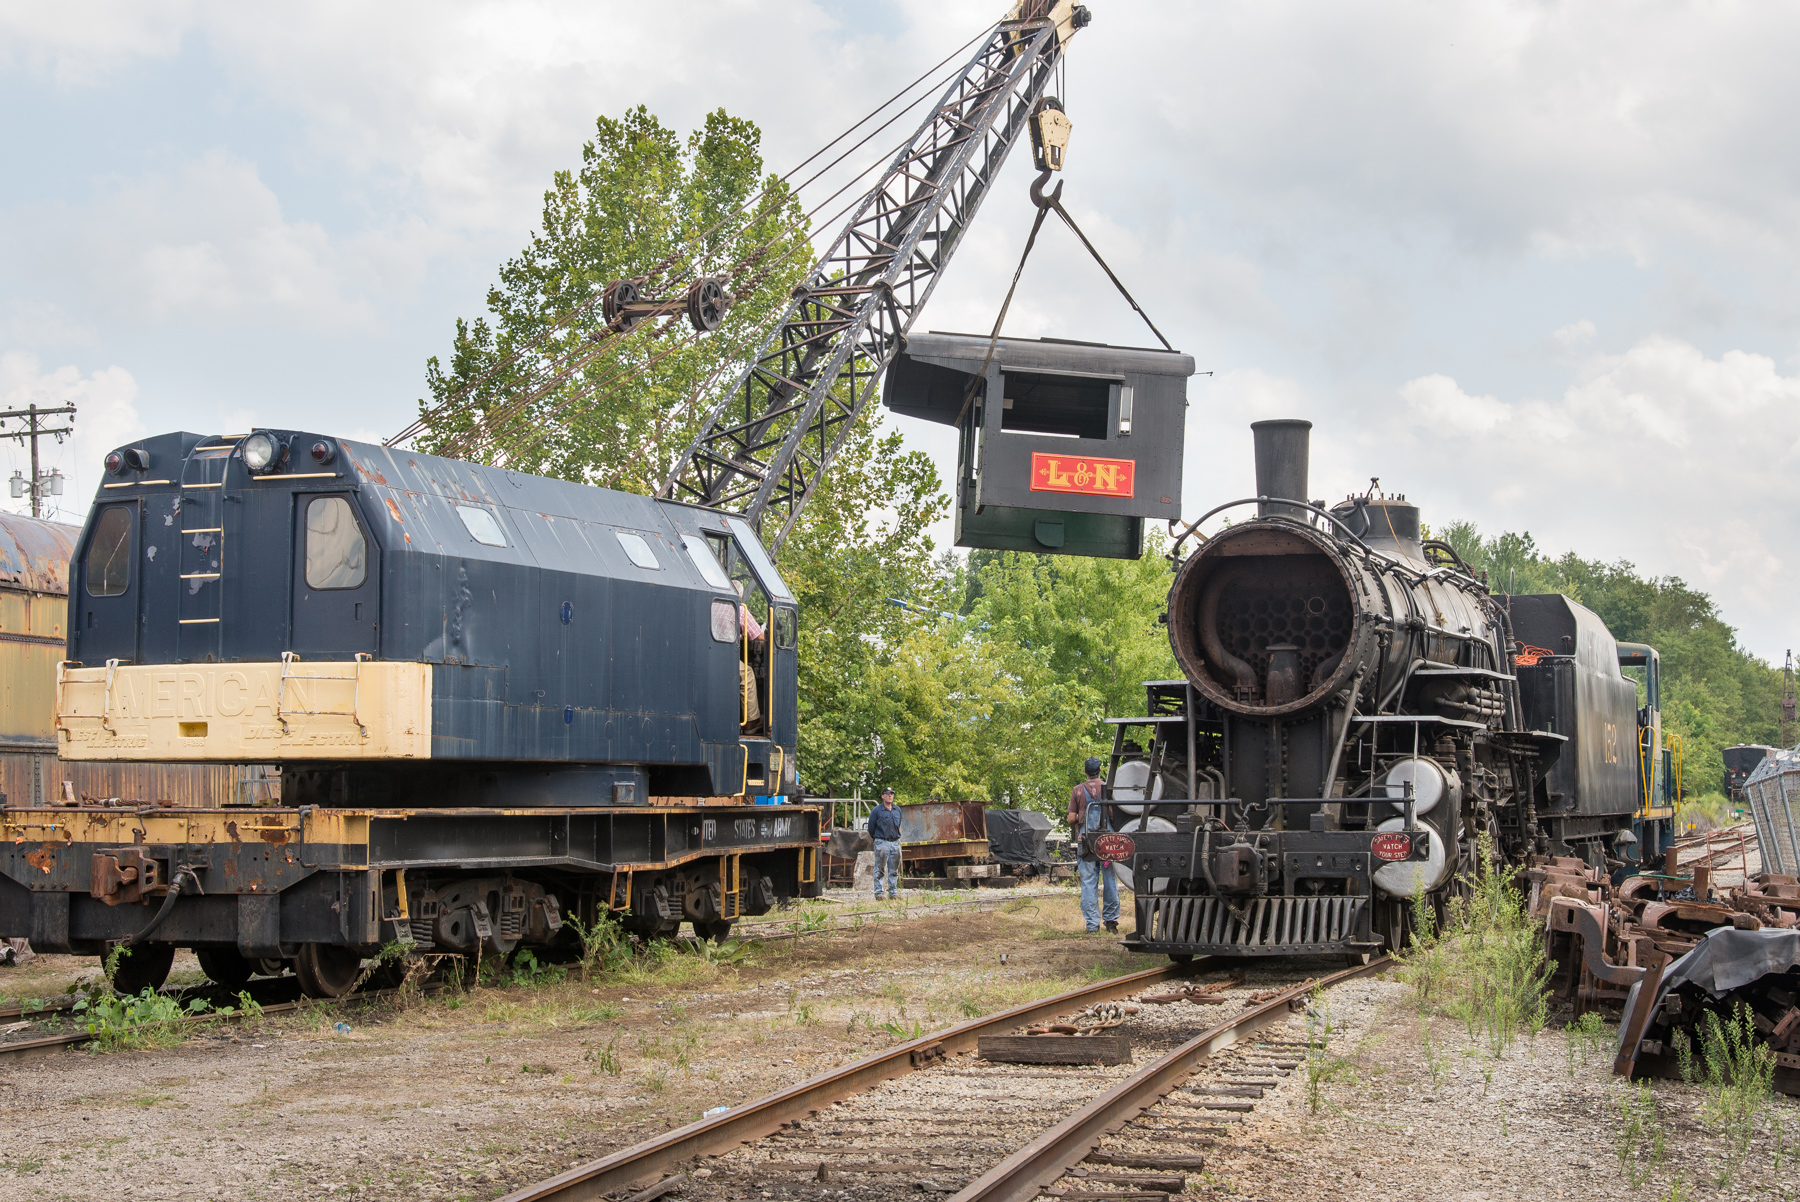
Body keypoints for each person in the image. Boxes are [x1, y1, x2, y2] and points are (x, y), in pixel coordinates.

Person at [1069, 756, 1118, 934]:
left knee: (1089, 881)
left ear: (1085, 772)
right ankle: (1111, 922)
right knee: (1110, 879)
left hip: (1086, 840)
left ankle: (1092, 925)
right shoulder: (1108, 789)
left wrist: (1080, 817)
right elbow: (1115, 816)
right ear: (1100, 770)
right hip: (1109, 842)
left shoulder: (1078, 790)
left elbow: (1071, 818)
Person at [868, 787, 904, 900]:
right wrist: (877, 839)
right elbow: (871, 827)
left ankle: (893, 892)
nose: (890, 796)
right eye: (887, 794)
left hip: (895, 843)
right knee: (880, 869)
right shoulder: (876, 811)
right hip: (882, 841)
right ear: (882, 796)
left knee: (894, 870)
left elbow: (899, 825)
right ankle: (879, 893)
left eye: (892, 794)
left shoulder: (897, 810)